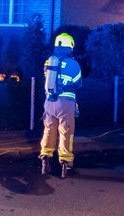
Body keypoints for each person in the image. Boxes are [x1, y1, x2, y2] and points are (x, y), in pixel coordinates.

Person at [39, 33, 82, 179]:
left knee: (49, 130)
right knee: (66, 133)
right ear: (70, 45)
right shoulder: (74, 64)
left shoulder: (48, 62)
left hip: (49, 102)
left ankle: (45, 160)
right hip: (66, 103)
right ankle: (66, 164)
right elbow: (78, 83)